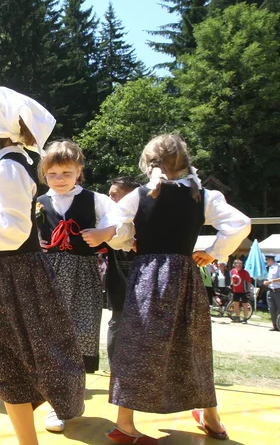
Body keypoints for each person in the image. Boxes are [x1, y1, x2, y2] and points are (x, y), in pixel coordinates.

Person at [90, 134, 250, 444]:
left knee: (137, 346)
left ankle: (124, 424)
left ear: (149, 164)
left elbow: (115, 225)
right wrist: (215, 251)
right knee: (194, 347)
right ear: (186, 163)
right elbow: (240, 224)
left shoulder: (139, 195)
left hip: (148, 277)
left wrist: (127, 240)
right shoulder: (203, 196)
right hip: (184, 279)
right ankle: (212, 419)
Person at [0, 87, 85, 445]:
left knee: (8, 359)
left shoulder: (9, 168)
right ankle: (28, 438)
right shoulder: (3, 167)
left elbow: (13, 231)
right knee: (6, 357)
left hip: (15, 273)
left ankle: (29, 439)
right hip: (7, 273)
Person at [36, 140, 120, 379]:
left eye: (66, 173)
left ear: (79, 172)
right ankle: (50, 380)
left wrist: (104, 233)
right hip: (47, 274)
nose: (59, 179)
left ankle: (74, 381)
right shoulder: (38, 201)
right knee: (48, 327)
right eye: (52, 174)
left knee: (82, 328)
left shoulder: (95, 200)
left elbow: (120, 221)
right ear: (44, 174)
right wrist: (34, 242)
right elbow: (22, 230)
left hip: (83, 273)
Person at [105, 176, 139, 368]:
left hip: (144, 284)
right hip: (118, 282)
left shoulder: (147, 219)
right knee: (117, 323)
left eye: (114, 195)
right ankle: (114, 369)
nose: (110, 200)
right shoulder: (107, 220)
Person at [230, 259, 252, 323]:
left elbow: (248, 282)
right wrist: (231, 284)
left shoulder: (245, 272)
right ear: (234, 265)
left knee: (245, 305)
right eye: (238, 264)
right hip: (235, 291)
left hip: (244, 291)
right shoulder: (232, 271)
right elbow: (232, 278)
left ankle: (245, 318)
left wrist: (248, 291)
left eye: (240, 264)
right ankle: (237, 317)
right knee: (236, 304)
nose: (239, 265)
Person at [264, 255, 280, 331]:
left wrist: (271, 281)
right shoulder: (270, 268)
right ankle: (275, 326)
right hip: (270, 290)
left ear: (270, 260)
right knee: (272, 309)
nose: (266, 262)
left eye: (267, 260)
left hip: (278, 291)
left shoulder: (278, 267)